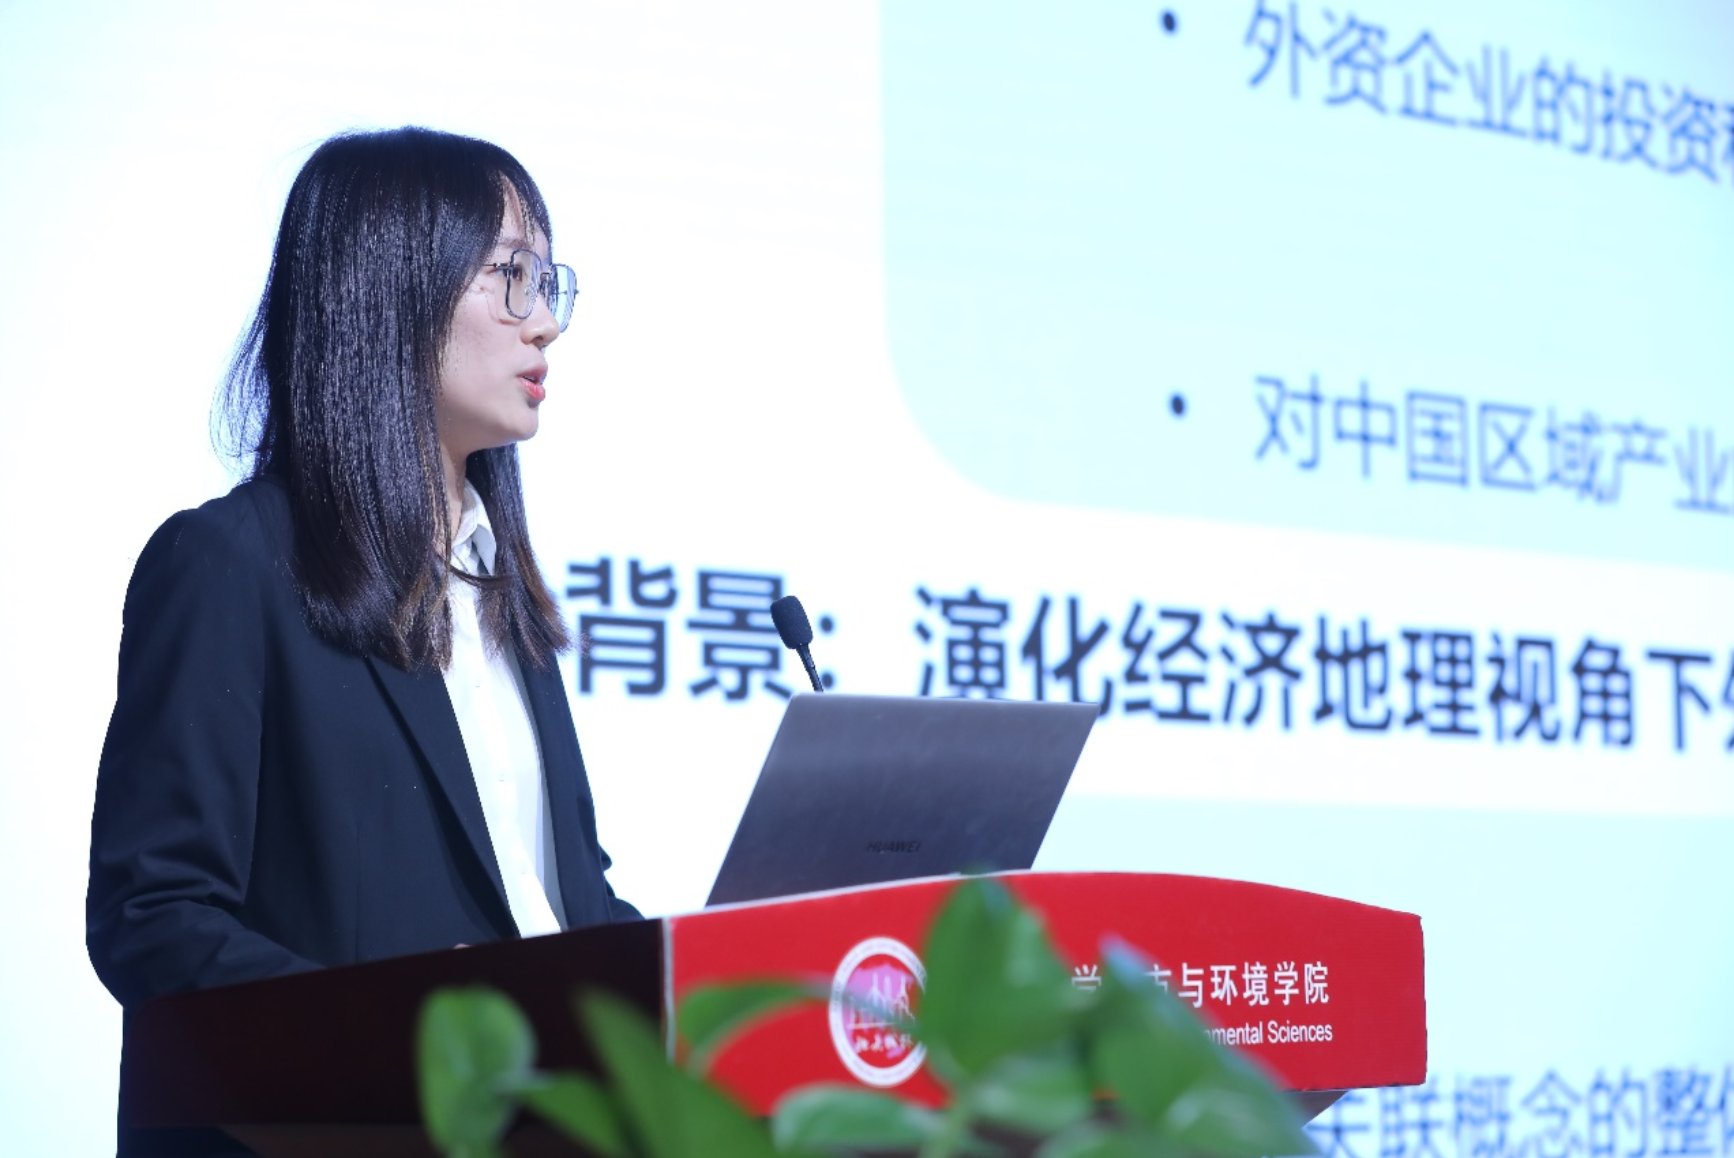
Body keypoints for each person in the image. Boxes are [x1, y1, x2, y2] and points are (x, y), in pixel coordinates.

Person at [87, 127, 637, 1022]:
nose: (544, 321)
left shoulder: (502, 591)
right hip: (354, 1097)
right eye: (512, 275)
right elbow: (154, 919)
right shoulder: (232, 564)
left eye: (548, 283)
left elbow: (569, 909)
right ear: (392, 286)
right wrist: (396, 1017)